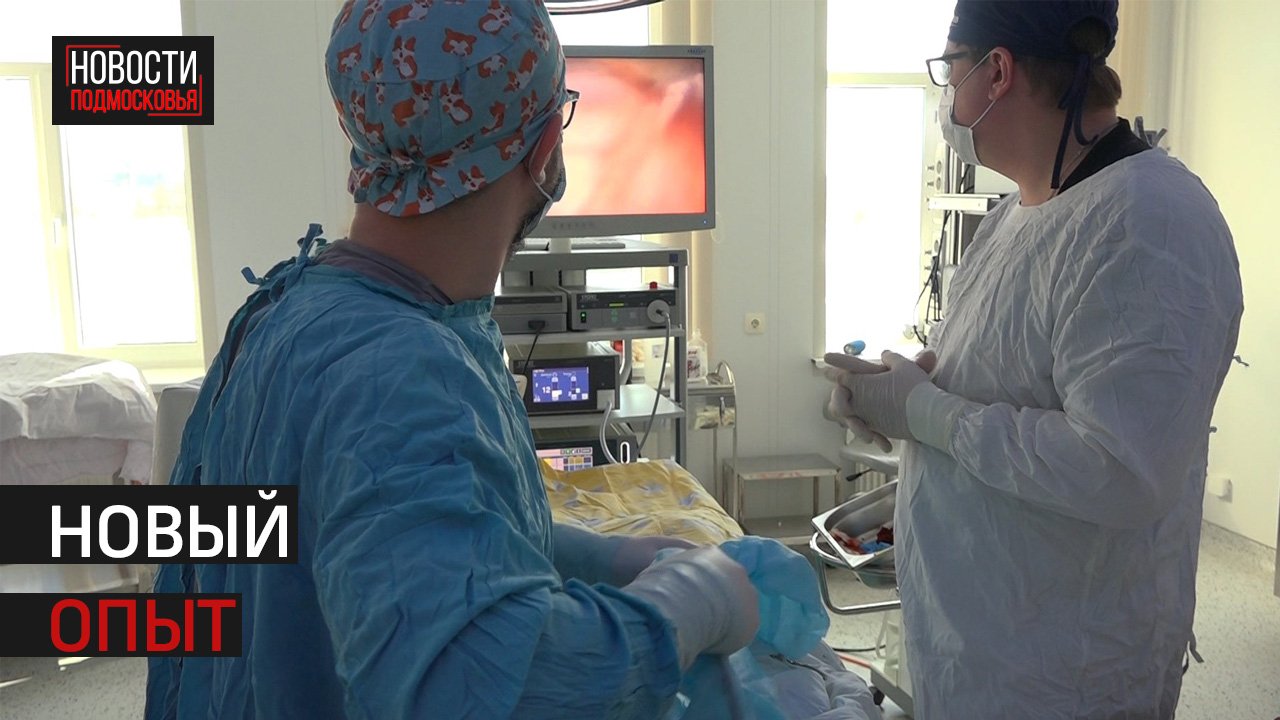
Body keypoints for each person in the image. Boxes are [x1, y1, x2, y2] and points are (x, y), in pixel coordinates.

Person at [144, 1, 760, 717]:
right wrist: (688, 606)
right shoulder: (400, 373)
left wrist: (597, 557)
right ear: (544, 150)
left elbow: (380, 543)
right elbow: (487, 689)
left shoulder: (290, 309)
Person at [823, 1, 1243, 718]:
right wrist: (900, 391)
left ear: (997, 72)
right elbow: (1007, 376)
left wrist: (925, 412)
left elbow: (1119, 471)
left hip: (1066, 670)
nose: (946, 95)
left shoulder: (1149, 221)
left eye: (949, 69)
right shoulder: (1018, 214)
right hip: (980, 647)